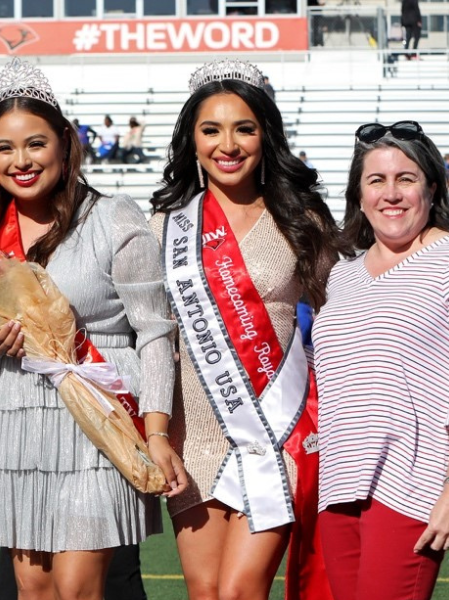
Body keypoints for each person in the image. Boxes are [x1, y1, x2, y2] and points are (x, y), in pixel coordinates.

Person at [0, 59, 182, 600]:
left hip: (97, 415)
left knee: (79, 590)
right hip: (15, 421)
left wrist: (156, 432)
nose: (21, 160)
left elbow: (154, 332)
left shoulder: (114, 218)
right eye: (5, 148)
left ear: (63, 145)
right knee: (34, 591)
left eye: (35, 144)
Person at [150, 60, 344, 600]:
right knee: (206, 590)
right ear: (191, 140)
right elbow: (150, 333)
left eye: (244, 128)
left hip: (276, 433)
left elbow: (340, 315)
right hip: (194, 440)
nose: (227, 144)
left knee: (239, 591)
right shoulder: (164, 228)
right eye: (211, 130)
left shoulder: (302, 220)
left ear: (267, 136)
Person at [312, 120, 449, 600]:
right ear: (359, 195)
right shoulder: (342, 276)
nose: (391, 194)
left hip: (411, 482)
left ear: (432, 187)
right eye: (376, 180)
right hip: (337, 483)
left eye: (406, 178)